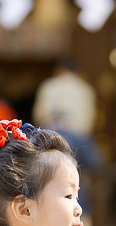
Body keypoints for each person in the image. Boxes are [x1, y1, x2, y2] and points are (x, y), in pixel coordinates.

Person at [32, 60, 101, 217]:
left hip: (52, 138)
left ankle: (54, 216)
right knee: (79, 179)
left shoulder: (49, 86)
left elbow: (39, 114)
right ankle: (81, 217)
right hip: (78, 138)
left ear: (59, 70)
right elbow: (88, 120)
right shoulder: (85, 89)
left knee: (50, 178)